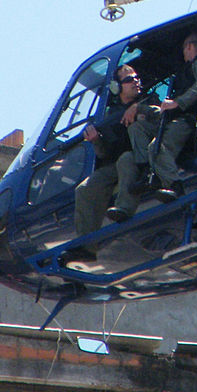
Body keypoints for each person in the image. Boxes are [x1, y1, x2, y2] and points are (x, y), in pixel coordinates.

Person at [114, 32, 197, 216]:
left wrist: (178, 103)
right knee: (136, 127)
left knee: (156, 148)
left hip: (187, 119)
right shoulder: (186, 70)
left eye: (184, 50)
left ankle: (174, 185)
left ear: (189, 47)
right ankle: (147, 173)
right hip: (172, 118)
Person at [68, 66, 158, 260]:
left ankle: (124, 209)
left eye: (136, 77)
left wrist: (139, 108)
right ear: (117, 87)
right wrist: (96, 141)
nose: (135, 81)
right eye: (128, 79)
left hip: (144, 158)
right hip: (117, 164)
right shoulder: (111, 115)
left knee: (126, 159)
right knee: (84, 189)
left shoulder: (149, 100)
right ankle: (86, 246)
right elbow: (105, 152)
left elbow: (161, 118)